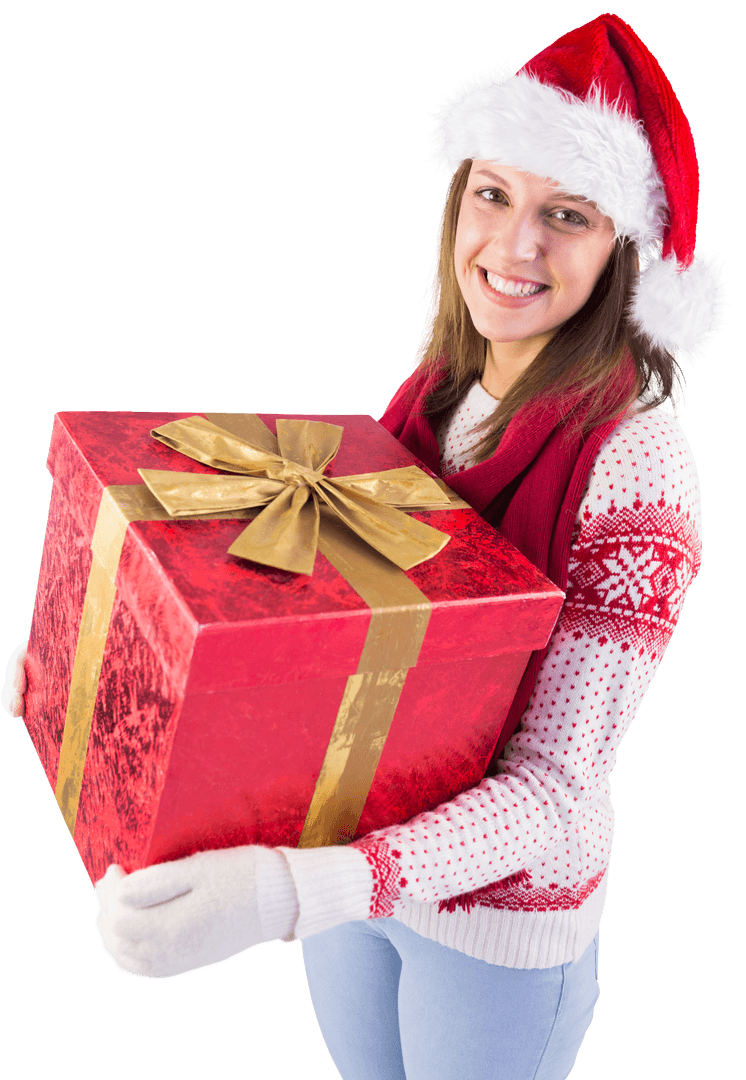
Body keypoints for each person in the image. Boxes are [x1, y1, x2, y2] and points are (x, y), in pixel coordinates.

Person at [1, 13, 727, 1080]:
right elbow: (328, 646)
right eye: (492, 194)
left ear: (622, 255)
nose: (514, 245)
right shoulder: (431, 399)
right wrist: (98, 667)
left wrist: (292, 890)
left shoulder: (636, 463)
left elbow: (556, 791)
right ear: (454, 204)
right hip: (351, 873)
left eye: (564, 215)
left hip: (489, 921)